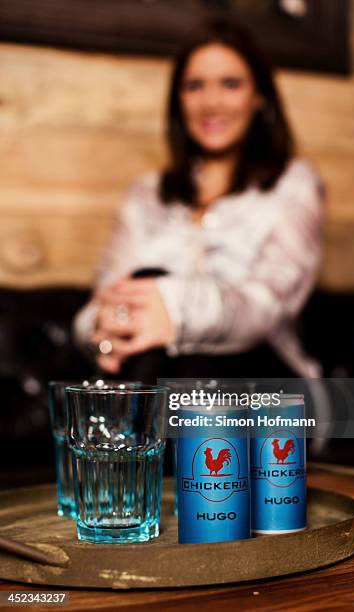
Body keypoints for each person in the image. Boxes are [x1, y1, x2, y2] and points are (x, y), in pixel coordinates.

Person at [73, 18, 325, 382]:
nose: (211, 102)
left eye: (231, 83)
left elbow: (266, 309)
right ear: (179, 100)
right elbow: (99, 306)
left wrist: (173, 310)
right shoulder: (145, 195)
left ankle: (130, 430)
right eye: (194, 86)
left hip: (266, 378)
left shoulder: (295, 185)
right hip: (157, 369)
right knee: (167, 348)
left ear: (259, 97)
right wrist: (107, 333)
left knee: (186, 360)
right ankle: (141, 428)